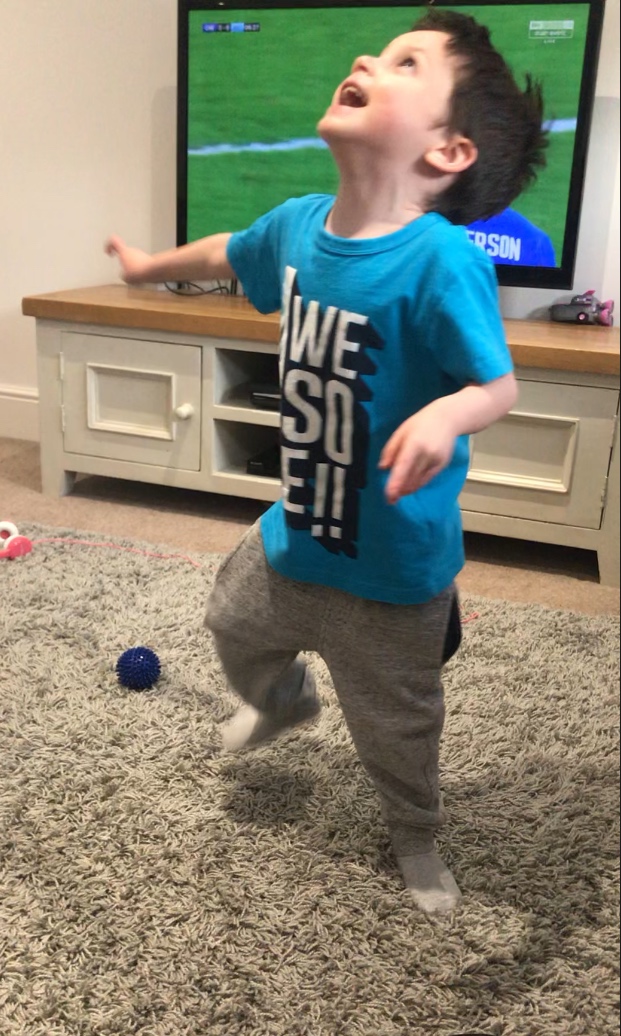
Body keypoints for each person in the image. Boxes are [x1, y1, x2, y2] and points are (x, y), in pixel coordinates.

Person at [106, 9, 547, 915]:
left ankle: (415, 837)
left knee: (396, 727)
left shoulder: (440, 260)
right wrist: (149, 267)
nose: (365, 58)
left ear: (448, 151)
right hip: (296, 532)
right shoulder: (298, 226)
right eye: (380, 52)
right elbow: (230, 253)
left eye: (405, 63)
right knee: (230, 624)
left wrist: (444, 417)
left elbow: (496, 384)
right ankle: (281, 701)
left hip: (391, 570)